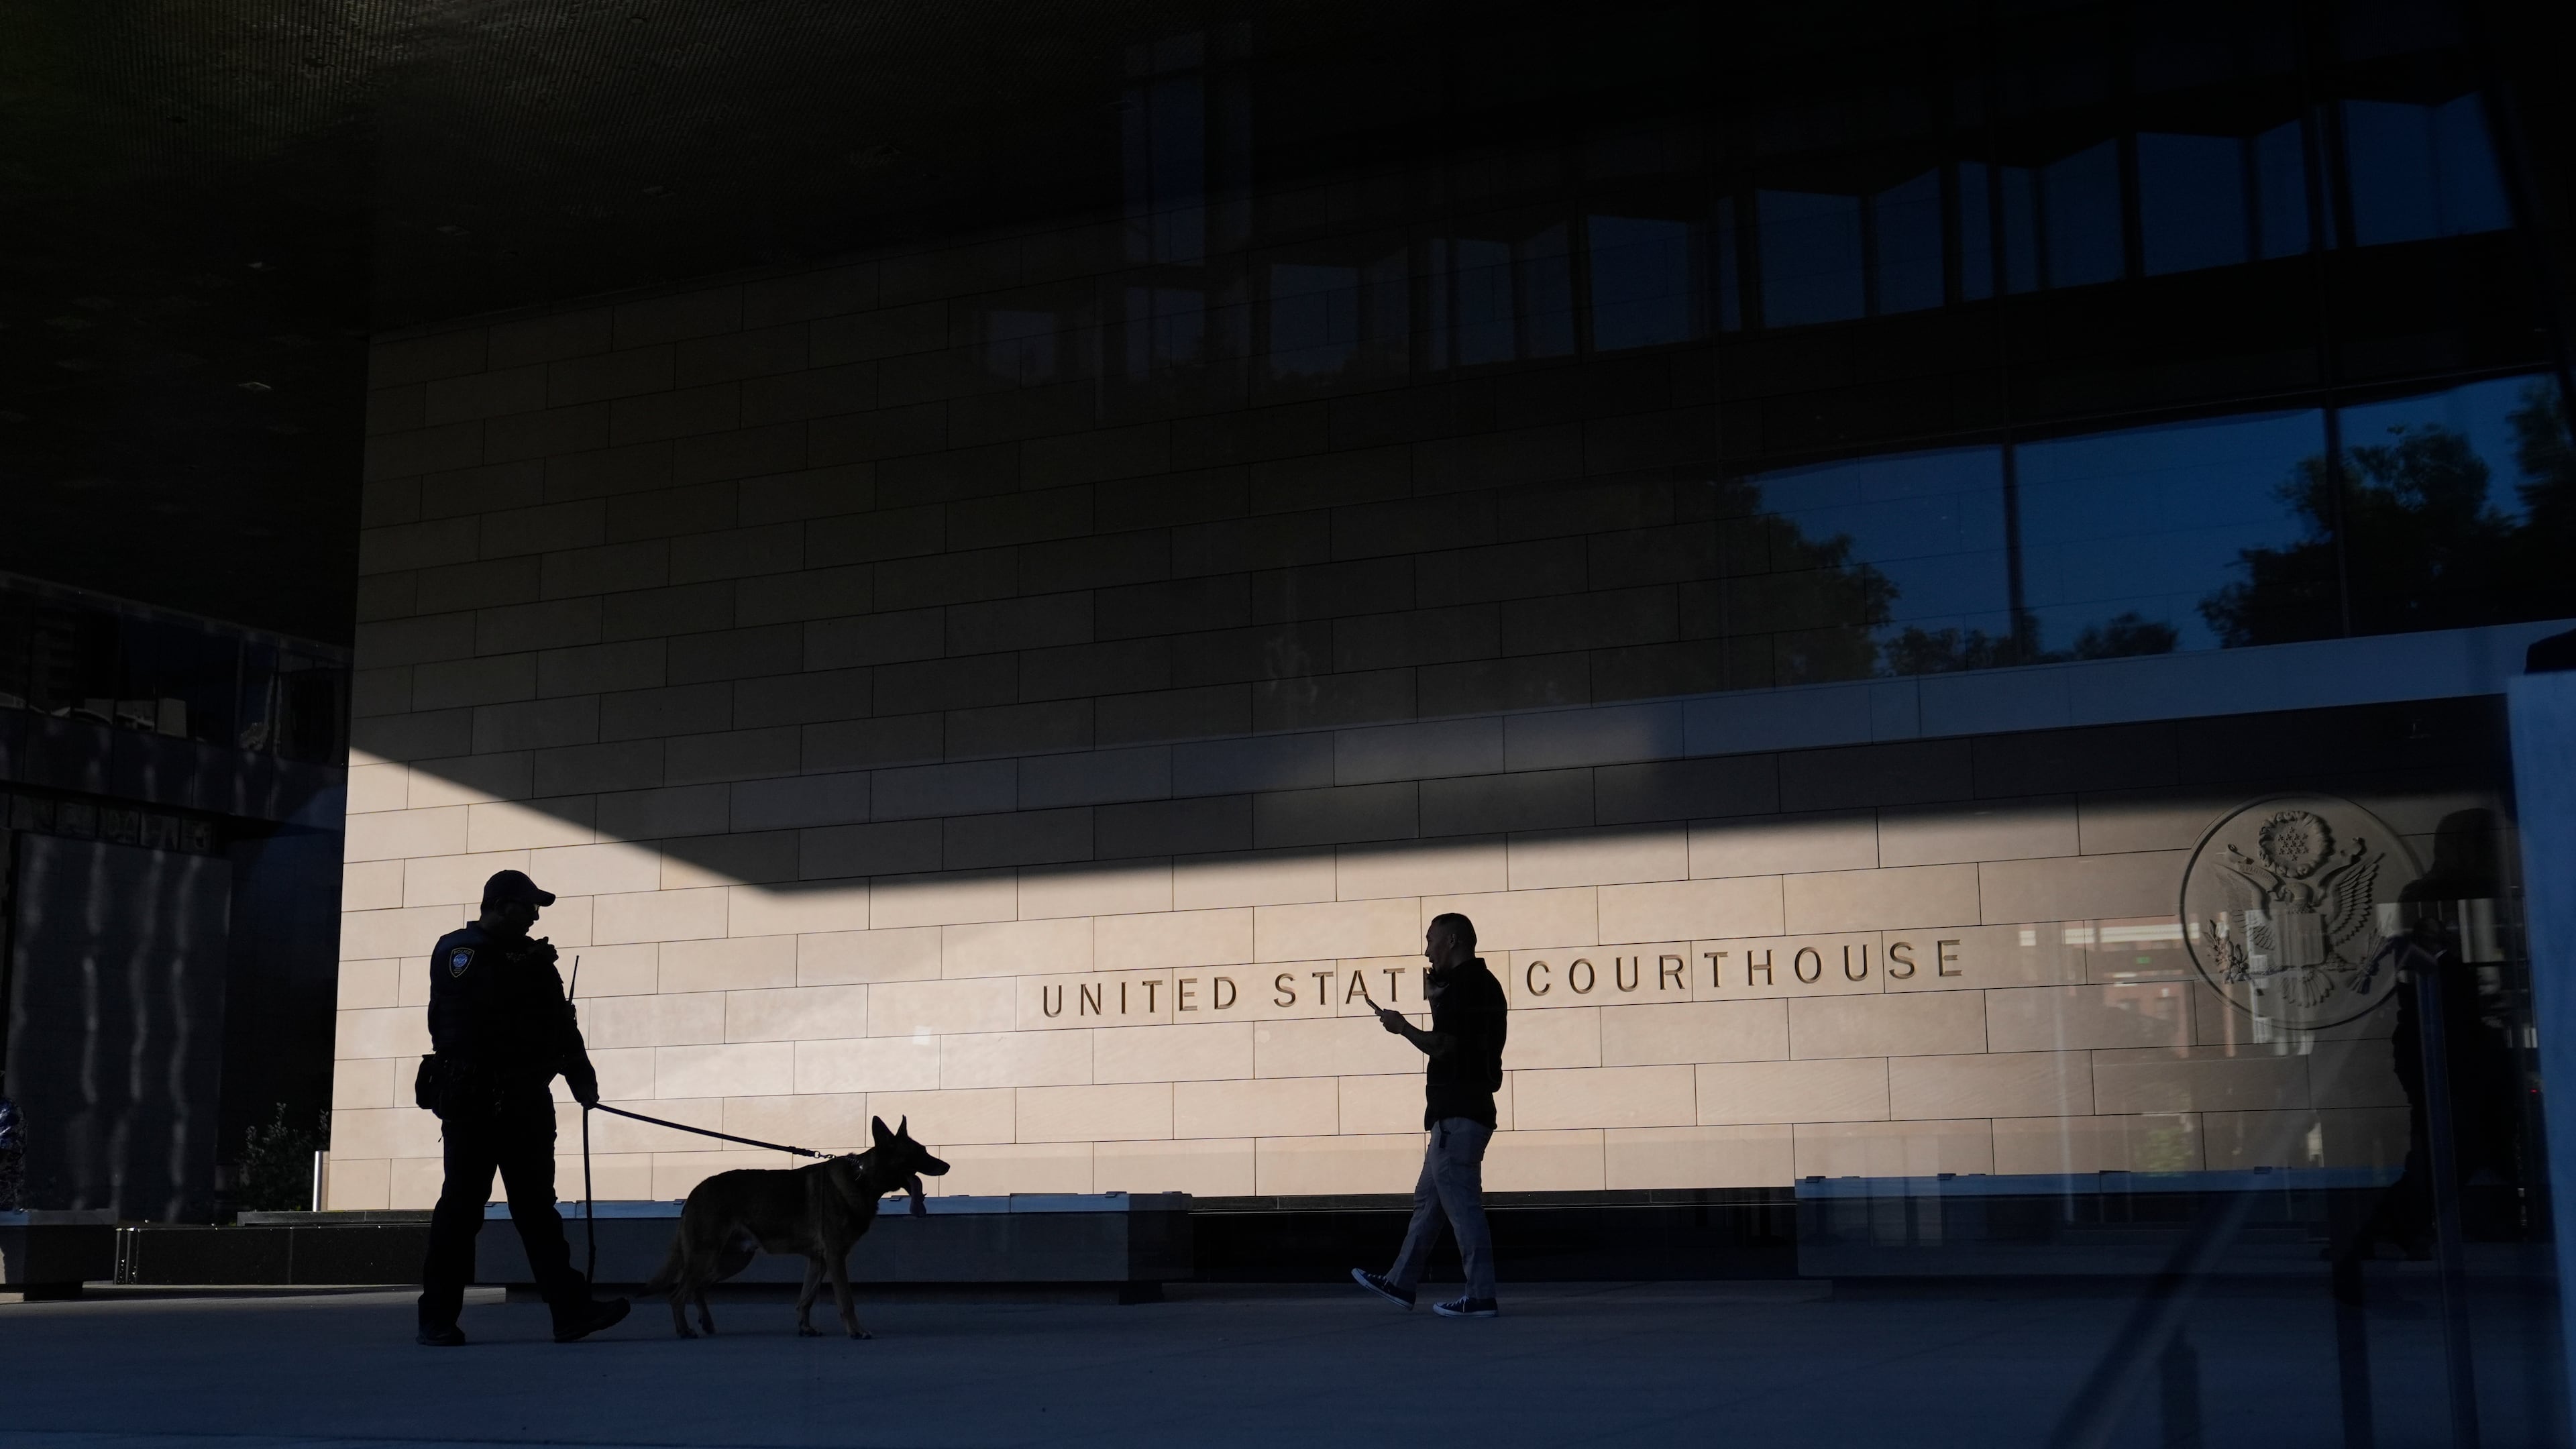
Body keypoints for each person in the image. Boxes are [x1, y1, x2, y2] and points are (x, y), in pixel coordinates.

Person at [414, 869, 629, 1346]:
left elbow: (561, 1025)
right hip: (474, 1102)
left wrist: (582, 1078)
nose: (535, 916)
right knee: (462, 1211)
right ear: (501, 904)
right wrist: (523, 968)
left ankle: (571, 1312)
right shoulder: (461, 950)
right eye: (528, 906)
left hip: (527, 1103)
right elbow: (473, 1006)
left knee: (537, 1211)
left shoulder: (532, 961)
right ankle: (438, 1319)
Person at [1351, 912, 1509, 1318]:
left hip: (1458, 1113)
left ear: (1454, 941)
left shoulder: (1469, 987)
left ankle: (1481, 1295)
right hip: (1458, 1114)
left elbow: (1446, 1047)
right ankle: (1402, 1282)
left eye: (1431, 940)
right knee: (1430, 1202)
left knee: (1462, 1207)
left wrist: (1402, 1027)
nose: (1427, 950)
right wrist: (1439, 1000)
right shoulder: (1477, 986)